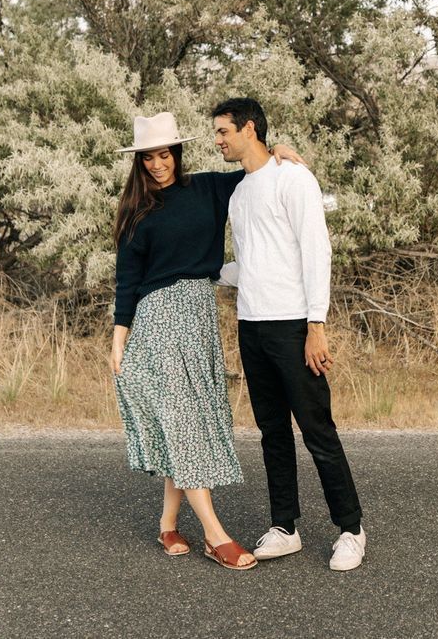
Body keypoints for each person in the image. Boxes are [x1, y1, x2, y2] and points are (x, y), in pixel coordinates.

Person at [111, 110, 300, 571]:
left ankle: (167, 524)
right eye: (148, 158)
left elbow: (251, 172)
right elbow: (127, 281)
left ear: (176, 153)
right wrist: (118, 339)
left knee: (187, 420)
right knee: (184, 422)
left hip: (198, 316)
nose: (158, 164)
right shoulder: (138, 213)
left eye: (164, 154)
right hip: (159, 320)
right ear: (139, 162)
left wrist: (275, 152)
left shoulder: (208, 188)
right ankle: (216, 536)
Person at [212, 98, 365, 571]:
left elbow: (316, 251)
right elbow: (252, 264)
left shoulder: (293, 177)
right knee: (272, 432)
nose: (217, 140)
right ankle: (285, 526)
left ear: (249, 129)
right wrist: (199, 271)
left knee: (317, 430)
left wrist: (315, 325)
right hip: (251, 326)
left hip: (294, 325)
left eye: (223, 131)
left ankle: (352, 529)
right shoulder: (238, 194)